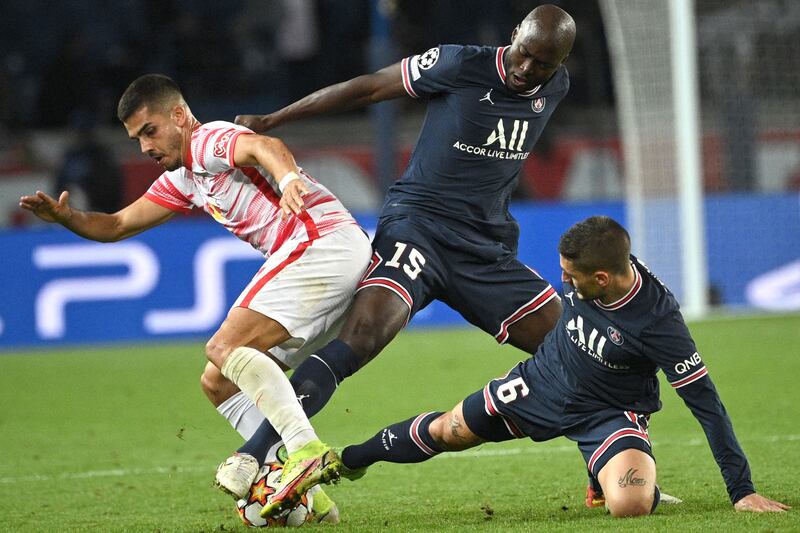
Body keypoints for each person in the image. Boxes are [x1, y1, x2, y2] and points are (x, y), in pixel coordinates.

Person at [224, 3, 576, 515]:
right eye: (524, 55)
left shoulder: (556, 86)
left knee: (578, 353)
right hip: (418, 229)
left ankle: (606, 474)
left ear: (561, 64)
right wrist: (275, 120)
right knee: (361, 338)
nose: (528, 70)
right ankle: (252, 456)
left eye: (543, 64)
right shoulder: (459, 64)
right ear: (513, 34)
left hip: (483, 250)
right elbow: (368, 87)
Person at [19, 73, 372, 523]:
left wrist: (286, 182)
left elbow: (266, 147)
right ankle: (306, 496)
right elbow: (117, 226)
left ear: (180, 116)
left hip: (320, 243)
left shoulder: (210, 140)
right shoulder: (185, 178)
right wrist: (67, 217)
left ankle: (305, 451)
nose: (145, 147)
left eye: (150, 131)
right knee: (218, 380)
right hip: (327, 257)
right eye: (136, 139)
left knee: (225, 347)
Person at [290, 216, 790, 520]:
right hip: (542, 382)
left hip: (609, 412)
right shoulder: (589, 276)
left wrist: (741, 491)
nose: (563, 282)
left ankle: (610, 474)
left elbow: (707, 403)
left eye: (571, 276)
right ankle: (345, 461)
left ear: (602, 277)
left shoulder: (659, 322)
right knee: (449, 430)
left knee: (630, 505)